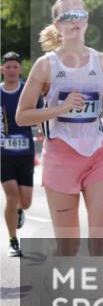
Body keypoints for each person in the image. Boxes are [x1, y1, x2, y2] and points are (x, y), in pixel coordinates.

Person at [16, 0, 103, 256]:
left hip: (98, 152)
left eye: (79, 14)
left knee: (99, 239)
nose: (74, 20)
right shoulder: (45, 66)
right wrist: (61, 108)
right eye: (67, 16)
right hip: (61, 156)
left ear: (87, 20)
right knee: (69, 246)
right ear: (57, 25)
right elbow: (22, 115)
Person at [2, 51, 41, 257]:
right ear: (2, 69)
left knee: (25, 201)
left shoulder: (28, 91)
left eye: (15, 66)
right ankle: (12, 240)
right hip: (3, 155)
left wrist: (43, 129)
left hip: (25, 153)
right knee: (11, 195)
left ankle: (19, 211)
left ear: (20, 70)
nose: (11, 70)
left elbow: (42, 112)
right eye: (7, 66)